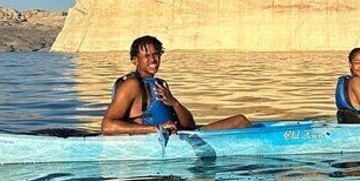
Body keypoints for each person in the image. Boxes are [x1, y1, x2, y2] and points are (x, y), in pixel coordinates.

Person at [101, 35, 252, 135]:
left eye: (156, 54)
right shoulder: (131, 84)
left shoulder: (159, 84)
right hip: (150, 141)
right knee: (240, 122)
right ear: (135, 60)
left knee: (240, 120)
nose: (153, 59)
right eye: (147, 56)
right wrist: (156, 129)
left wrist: (174, 103)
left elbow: (189, 125)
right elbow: (107, 126)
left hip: (180, 135)